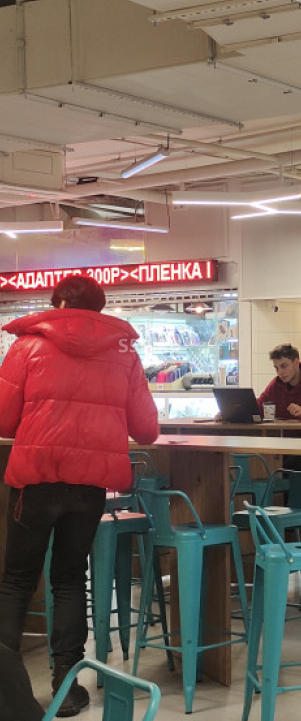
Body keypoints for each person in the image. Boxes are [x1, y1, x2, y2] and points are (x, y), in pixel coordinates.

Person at [0, 275, 159, 718]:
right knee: (70, 579)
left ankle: (5, 692)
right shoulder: (124, 352)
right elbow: (147, 429)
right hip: (89, 484)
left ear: (56, 303)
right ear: (100, 308)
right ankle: (67, 688)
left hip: (35, 478)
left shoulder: (27, 345)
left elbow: (3, 419)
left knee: (17, 581)